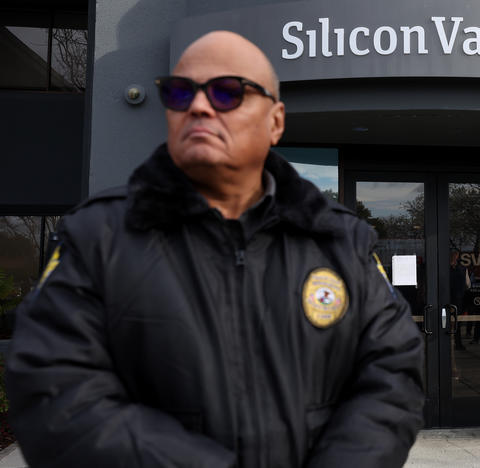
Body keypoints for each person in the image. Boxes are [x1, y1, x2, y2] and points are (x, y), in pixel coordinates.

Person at [6, 31, 424, 468]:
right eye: (180, 92)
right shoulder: (97, 236)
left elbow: (391, 374)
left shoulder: (343, 242)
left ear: (275, 121)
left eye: (227, 92)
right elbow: (55, 391)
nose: (199, 107)